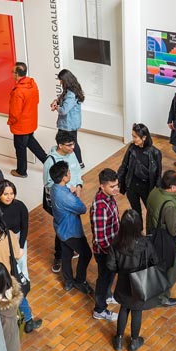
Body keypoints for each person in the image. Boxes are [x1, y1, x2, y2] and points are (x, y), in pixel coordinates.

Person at [106, 209, 166, 351]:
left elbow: (110, 265)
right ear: (139, 226)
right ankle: (134, 342)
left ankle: (119, 340)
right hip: (140, 284)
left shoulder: (116, 244)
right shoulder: (145, 244)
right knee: (137, 311)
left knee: (123, 308)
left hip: (123, 283)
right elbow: (155, 261)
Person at [0, 205, 42, 333]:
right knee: (18, 297)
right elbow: (17, 255)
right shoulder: (8, 235)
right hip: (6, 275)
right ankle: (28, 320)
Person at [0, 180, 42, 333]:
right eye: (5, 194)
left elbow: (25, 227)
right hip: (4, 247)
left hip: (18, 243)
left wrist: (21, 246)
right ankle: (25, 315)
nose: (9, 197)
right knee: (15, 279)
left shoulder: (20, 206)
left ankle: (23, 310)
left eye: (11, 193)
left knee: (22, 274)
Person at [146, 170, 176, 307]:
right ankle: (163, 298)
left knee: (158, 267)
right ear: (172, 187)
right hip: (170, 244)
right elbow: (175, 230)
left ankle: (154, 290)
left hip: (154, 237)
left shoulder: (155, 192)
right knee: (170, 272)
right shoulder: (170, 206)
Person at [43, 129, 84, 273]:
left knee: (72, 223)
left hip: (73, 196)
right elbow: (48, 184)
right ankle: (59, 257)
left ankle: (71, 248)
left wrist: (78, 185)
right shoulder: (50, 161)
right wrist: (68, 189)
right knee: (61, 228)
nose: (73, 148)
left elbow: (77, 171)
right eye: (69, 145)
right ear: (60, 145)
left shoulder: (71, 154)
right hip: (60, 200)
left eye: (73, 144)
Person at [49, 160, 92, 293]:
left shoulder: (54, 188)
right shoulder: (66, 196)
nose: (70, 173)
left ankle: (68, 281)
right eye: (68, 172)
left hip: (60, 228)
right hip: (71, 231)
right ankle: (79, 281)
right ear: (64, 177)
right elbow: (82, 208)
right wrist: (76, 194)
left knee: (66, 255)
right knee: (86, 253)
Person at [90, 169, 120, 322]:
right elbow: (101, 239)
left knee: (109, 277)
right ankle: (100, 309)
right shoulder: (100, 207)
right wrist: (113, 254)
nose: (116, 189)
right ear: (102, 186)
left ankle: (108, 296)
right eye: (112, 186)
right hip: (105, 252)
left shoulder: (109, 197)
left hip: (112, 248)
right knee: (104, 279)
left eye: (117, 185)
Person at [8, 62, 47, 179]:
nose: (11, 74)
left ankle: (21, 171)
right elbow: (37, 100)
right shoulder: (32, 85)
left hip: (21, 126)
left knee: (20, 148)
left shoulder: (18, 92)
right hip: (30, 122)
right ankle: (48, 162)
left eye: (12, 72)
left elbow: (15, 112)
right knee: (31, 143)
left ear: (16, 74)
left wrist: (11, 121)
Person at [117, 123, 162, 217]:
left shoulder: (155, 153)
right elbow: (124, 165)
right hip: (131, 186)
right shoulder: (131, 148)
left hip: (147, 188)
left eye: (135, 137)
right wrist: (118, 182)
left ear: (144, 137)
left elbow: (158, 175)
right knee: (136, 212)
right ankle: (138, 230)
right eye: (133, 136)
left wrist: (158, 192)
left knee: (152, 213)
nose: (133, 139)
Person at [51, 69, 85, 167]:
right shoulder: (72, 89)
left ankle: (71, 162)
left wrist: (57, 107)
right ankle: (79, 162)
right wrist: (56, 101)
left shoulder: (71, 94)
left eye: (61, 80)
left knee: (66, 143)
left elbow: (64, 110)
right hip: (71, 123)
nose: (60, 82)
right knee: (72, 142)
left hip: (67, 124)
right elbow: (62, 97)